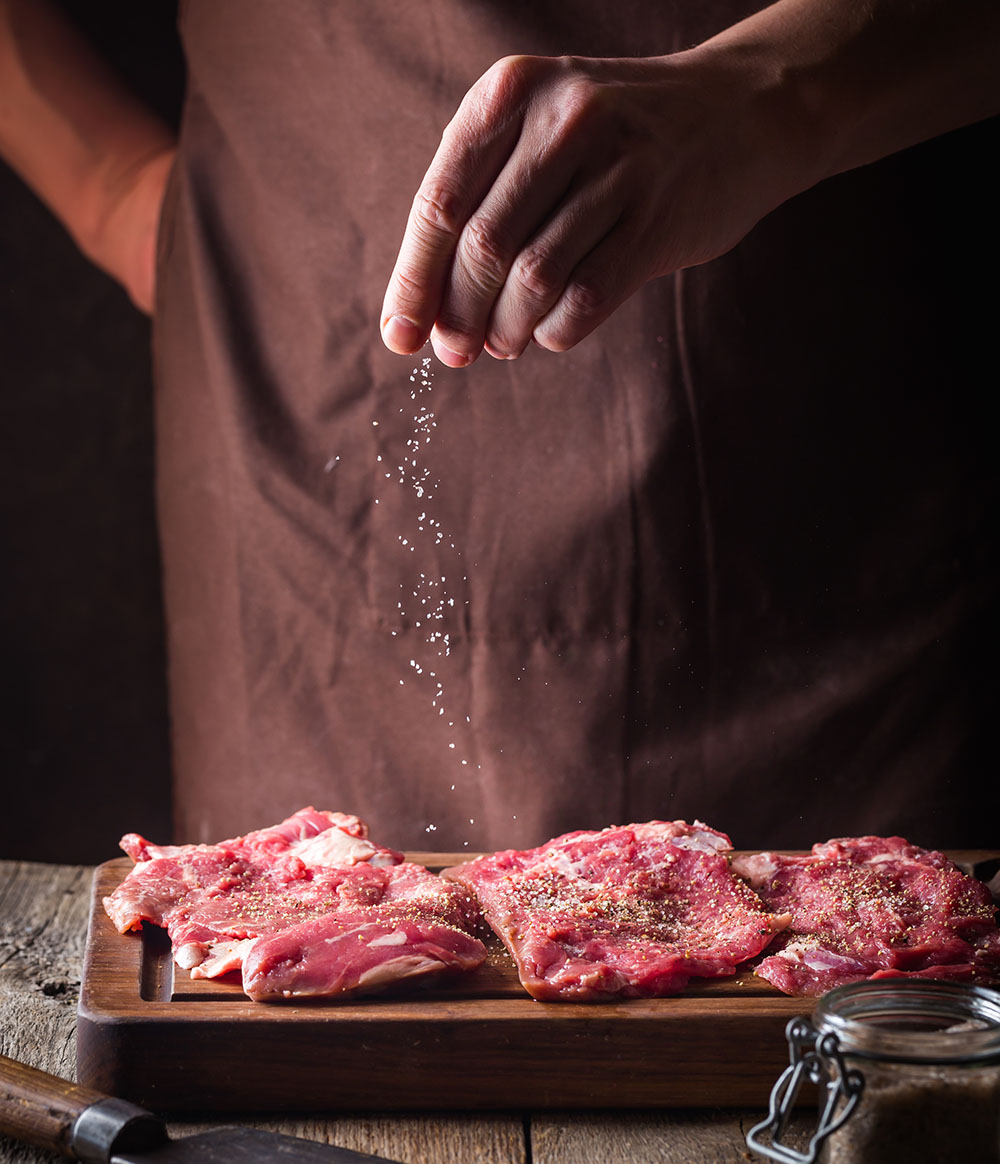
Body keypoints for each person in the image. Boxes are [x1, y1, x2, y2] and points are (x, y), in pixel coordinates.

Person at [2, 0, 997, 852]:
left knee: (877, 1019)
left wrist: (771, 93)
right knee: (303, 1027)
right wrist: (109, 190)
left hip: (824, 429)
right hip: (303, 416)